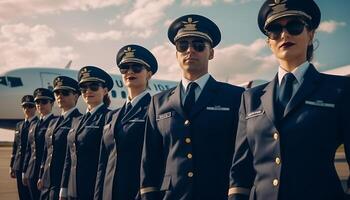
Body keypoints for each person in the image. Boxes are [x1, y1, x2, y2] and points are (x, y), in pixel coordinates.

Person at [228, 0, 350, 200]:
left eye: (294, 26)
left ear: (310, 34)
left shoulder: (340, 90)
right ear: (269, 42)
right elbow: (240, 169)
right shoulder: (250, 98)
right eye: (275, 30)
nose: (284, 35)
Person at [140, 14, 244, 200]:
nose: (190, 50)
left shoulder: (235, 97)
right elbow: (150, 159)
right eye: (183, 46)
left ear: (211, 53)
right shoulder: (158, 102)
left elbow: (241, 155)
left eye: (198, 45)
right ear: (176, 53)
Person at [94, 44, 158, 200]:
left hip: (138, 193)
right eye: (124, 68)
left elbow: (157, 160)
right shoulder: (112, 116)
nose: (129, 71)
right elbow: (103, 163)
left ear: (148, 74)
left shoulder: (155, 109)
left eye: (136, 67)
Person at [60, 66, 113, 200]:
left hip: (95, 189)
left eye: (94, 86)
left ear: (105, 91)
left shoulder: (110, 118)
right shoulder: (76, 121)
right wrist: (64, 188)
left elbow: (108, 159)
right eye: (83, 88)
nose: (88, 91)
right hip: (73, 189)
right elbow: (69, 157)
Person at [37, 76, 82, 200]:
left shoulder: (79, 121)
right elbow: (47, 152)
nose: (59, 96)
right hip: (47, 182)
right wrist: (41, 175)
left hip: (63, 183)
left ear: (76, 96)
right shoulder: (53, 122)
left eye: (65, 93)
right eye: (57, 92)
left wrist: (65, 186)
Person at [23, 88, 57, 200]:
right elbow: (29, 150)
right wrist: (25, 171)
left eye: (44, 102)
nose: (40, 105)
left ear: (52, 103)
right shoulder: (33, 125)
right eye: (37, 102)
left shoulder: (56, 123)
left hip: (47, 173)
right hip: (32, 172)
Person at [10, 95, 38, 200]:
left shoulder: (38, 124)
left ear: (35, 108)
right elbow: (15, 146)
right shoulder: (19, 125)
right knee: (22, 195)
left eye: (30, 106)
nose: (27, 109)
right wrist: (12, 165)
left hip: (31, 166)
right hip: (18, 165)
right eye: (25, 107)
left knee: (32, 195)